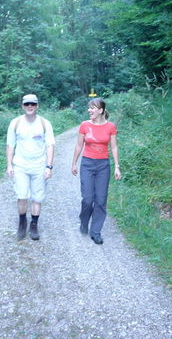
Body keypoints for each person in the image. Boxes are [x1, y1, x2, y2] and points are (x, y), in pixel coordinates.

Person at [71, 98, 121, 245]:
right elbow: (79, 145)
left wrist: (117, 166)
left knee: (100, 200)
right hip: (87, 163)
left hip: (103, 166)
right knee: (87, 199)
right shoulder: (84, 125)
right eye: (89, 108)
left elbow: (114, 147)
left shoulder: (110, 127)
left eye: (93, 108)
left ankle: (96, 232)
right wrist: (74, 163)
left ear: (101, 110)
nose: (89, 110)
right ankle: (84, 220)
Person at [6, 94, 55, 241]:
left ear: (37, 106)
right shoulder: (15, 123)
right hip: (20, 165)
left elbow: (50, 145)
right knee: (21, 196)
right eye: (27, 104)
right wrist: (9, 165)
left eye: (32, 104)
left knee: (37, 198)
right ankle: (22, 223)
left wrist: (49, 166)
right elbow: (10, 145)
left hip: (39, 166)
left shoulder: (44, 124)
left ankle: (34, 225)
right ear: (22, 106)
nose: (30, 107)